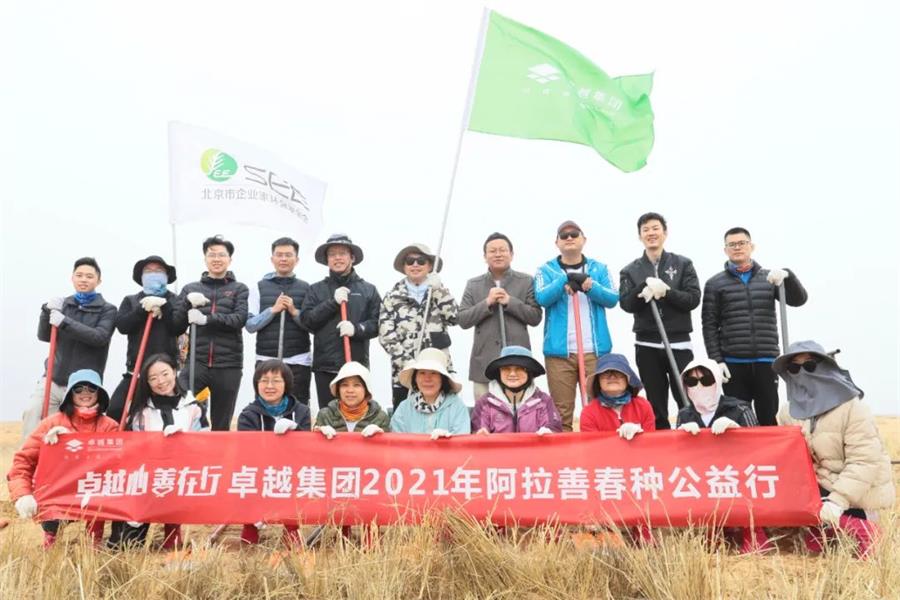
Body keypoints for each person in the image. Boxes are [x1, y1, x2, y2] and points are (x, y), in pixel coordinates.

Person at [774, 341, 894, 558]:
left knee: (860, 550)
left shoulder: (852, 407)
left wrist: (838, 501)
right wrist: (735, 432)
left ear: (825, 367)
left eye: (809, 366)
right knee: (813, 550)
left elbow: (864, 461)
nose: (802, 373)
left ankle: (860, 526)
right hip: (818, 493)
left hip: (856, 494)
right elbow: (783, 455)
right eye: (794, 368)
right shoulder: (787, 412)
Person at [701, 227, 807, 425]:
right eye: (732, 244)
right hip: (733, 363)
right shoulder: (715, 284)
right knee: (737, 419)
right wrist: (717, 360)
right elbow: (709, 325)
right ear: (725, 250)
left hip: (766, 360)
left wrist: (788, 276)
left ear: (752, 246)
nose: (737, 247)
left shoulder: (770, 278)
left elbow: (799, 300)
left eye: (742, 243)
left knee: (768, 416)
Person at [8, 369, 118, 548]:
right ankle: (51, 539)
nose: (85, 393)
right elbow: (23, 461)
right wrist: (23, 494)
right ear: (69, 394)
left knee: (99, 498)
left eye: (91, 388)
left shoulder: (110, 426)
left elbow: (120, 463)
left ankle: (94, 543)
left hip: (93, 490)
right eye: (78, 388)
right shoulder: (51, 423)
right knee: (51, 508)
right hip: (59, 491)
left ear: (99, 392)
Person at [113, 353, 209, 549]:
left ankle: (173, 529)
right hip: (147, 479)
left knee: (173, 542)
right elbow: (132, 446)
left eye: (165, 374)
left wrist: (184, 441)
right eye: (153, 378)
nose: (161, 381)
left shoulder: (193, 407)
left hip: (181, 474)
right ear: (147, 382)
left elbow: (205, 441)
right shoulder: (140, 411)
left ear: (174, 372)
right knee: (127, 546)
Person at [675, 358, 767, 554]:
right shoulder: (684, 415)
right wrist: (681, 438)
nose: (699, 386)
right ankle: (712, 529)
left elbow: (759, 450)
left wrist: (738, 431)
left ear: (717, 380)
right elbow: (679, 459)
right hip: (705, 478)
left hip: (737, 475)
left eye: (706, 380)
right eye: (692, 382)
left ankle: (752, 529)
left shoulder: (739, 408)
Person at [535, 221, 619, 432]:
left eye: (574, 234)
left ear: (584, 239)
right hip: (559, 353)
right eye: (564, 236)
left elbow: (612, 298)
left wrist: (590, 286)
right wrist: (565, 279)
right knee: (561, 412)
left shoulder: (599, 268)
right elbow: (542, 297)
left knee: (599, 409)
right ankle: (565, 453)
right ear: (556, 242)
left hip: (595, 351)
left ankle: (598, 451)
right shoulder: (546, 270)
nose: (569, 238)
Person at [619, 213, 701, 430]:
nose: (651, 233)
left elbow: (693, 299)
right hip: (647, 345)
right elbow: (626, 304)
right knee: (655, 402)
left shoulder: (683, 264)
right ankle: (662, 442)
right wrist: (642, 288)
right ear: (640, 236)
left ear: (665, 233)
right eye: (645, 230)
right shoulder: (630, 270)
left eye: (655, 228)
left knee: (687, 397)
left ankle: (691, 437)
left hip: (678, 343)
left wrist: (667, 292)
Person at [22, 257, 117, 440]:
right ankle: (30, 457)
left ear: (98, 280)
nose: (83, 279)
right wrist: (46, 311)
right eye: (79, 275)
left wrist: (64, 322)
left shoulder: (107, 309)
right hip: (54, 378)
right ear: (72, 278)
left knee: (74, 432)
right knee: (33, 413)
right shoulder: (63, 305)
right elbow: (44, 336)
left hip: (83, 385)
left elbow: (99, 337)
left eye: (89, 276)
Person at [236, 359, 311, 547]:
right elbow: (247, 452)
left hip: (291, 470)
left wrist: (295, 430)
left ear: (286, 384)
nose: (269, 386)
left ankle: (291, 527)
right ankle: (250, 523)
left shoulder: (301, 411)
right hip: (260, 471)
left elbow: (307, 449)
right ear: (256, 385)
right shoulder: (247, 415)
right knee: (247, 476)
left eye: (276, 380)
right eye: (264, 381)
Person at [458, 232, 542, 400]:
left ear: (511, 254)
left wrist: (510, 302)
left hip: (519, 363)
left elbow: (535, 317)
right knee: (484, 412)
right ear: (485, 256)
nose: (498, 254)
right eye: (492, 251)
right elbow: (463, 320)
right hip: (484, 363)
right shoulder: (473, 284)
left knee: (521, 411)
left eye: (502, 250)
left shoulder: (525, 281)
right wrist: (487, 303)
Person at [178, 235, 249, 431]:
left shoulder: (239, 289)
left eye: (221, 255)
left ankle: (219, 451)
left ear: (229, 259)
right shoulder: (190, 289)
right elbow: (176, 325)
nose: (216, 259)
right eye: (212, 255)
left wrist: (207, 319)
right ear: (205, 258)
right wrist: (185, 304)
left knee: (221, 424)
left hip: (228, 364)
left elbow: (239, 319)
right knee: (181, 407)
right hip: (197, 362)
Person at [301, 233, 379, 409]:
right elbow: (307, 321)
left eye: (342, 253)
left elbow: (377, 324)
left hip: (356, 366)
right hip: (326, 367)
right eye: (332, 254)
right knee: (328, 416)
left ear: (352, 257)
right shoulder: (316, 290)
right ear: (327, 260)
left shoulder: (368, 290)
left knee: (356, 415)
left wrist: (357, 329)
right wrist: (332, 303)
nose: (337, 258)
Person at [378, 243, 458, 409]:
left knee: (442, 415)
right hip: (405, 373)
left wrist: (439, 291)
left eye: (421, 261)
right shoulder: (391, 297)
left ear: (429, 266)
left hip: (439, 370)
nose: (415, 265)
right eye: (410, 261)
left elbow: (455, 318)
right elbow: (386, 336)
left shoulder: (439, 291)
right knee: (405, 418)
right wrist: (409, 365)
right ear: (404, 267)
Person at [108, 255, 187, 423]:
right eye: (148, 271)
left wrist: (164, 306)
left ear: (166, 276)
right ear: (141, 277)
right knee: (116, 410)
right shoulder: (131, 300)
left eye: (158, 271)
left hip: (165, 373)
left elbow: (178, 327)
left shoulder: (175, 300)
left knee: (167, 415)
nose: (154, 274)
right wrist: (142, 309)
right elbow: (122, 326)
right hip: (136, 371)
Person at [245, 237, 312, 406]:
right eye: (279, 255)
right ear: (272, 259)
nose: (283, 259)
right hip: (266, 359)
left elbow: (312, 325)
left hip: (298, 360)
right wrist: (272, 310)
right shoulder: (258, 287)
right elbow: (250, 325)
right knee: (265, 407)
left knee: (299, 407)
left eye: (288, 255)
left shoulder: (307, 288)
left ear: (296, 259)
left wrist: (294, 312)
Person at [471, 345, 561, 434]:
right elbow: (478, 431)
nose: (512, 374)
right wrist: (480, 434)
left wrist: (549, 433)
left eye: (520, 368)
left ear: (530, 372)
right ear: (499, 372)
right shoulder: (484, 403)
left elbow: (554, 428)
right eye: (506, 368)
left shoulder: (544, 401)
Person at [390, 348, 471, 437]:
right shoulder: (404, 408)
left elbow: (463, 441)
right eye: (422, 373)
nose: (427, 378)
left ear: (442, 378)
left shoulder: (457, 407)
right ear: (415, 378)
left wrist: (448, 440)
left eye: (433, 373)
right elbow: (396, 441)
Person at [579, 353, 655, 439]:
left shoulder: (643, 406)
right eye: (606, 372)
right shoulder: (589, 413)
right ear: (598, 380)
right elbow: (592, 445)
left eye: (618, 372)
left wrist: (640, 435)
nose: (612, 377)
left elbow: (651, 442)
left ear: (628, 379)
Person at [313, 361, 391, 438]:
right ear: (338, 389)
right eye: (344, 385)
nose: (350, 390)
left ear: (366, 390)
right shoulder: (325, 415)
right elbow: (314, 445)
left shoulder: (380, 417)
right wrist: (318, 434)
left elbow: (389, 445)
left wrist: (381, 436)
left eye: (357, 385)